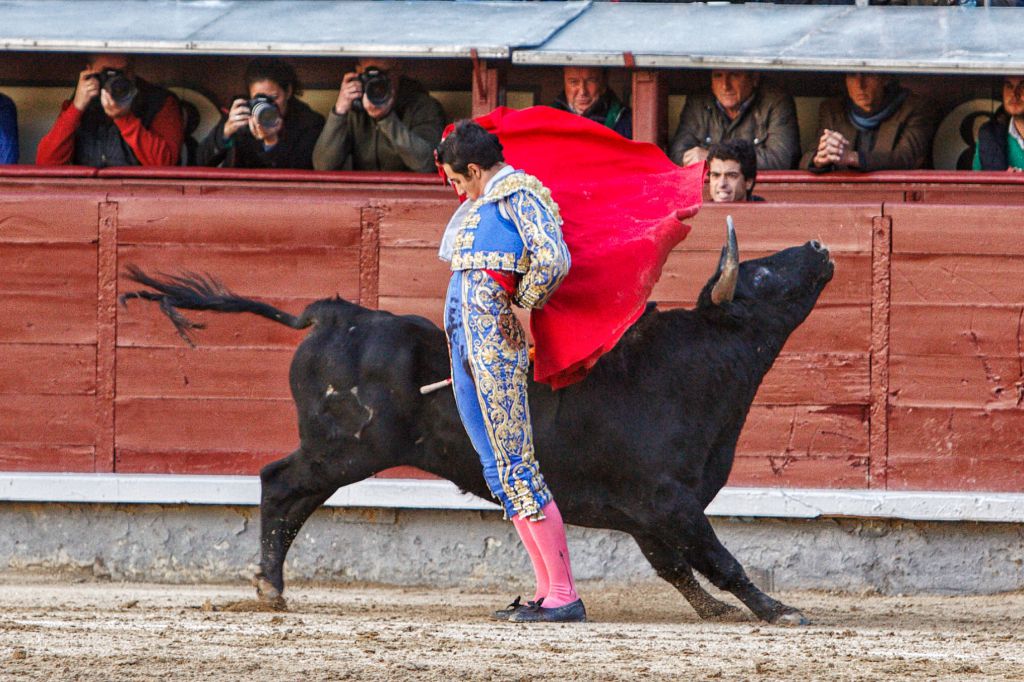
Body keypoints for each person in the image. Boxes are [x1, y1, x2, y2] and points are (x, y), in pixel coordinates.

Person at [435, 120, 585, 624]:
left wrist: (524, 304)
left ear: (475, 170)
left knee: (517, 463)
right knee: (497, 468)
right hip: (466, 347)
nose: (456, 190)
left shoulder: (520, 195)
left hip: (496, 348)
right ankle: (546, 591)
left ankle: (564, 593)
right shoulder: (487, 201)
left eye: (457, 180)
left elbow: (553, 258)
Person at [36, 54, 182, 167]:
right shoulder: (83, 99)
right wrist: (76, 108)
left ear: (132, 72)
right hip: (87, 197)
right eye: (107, 74)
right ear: (89, 71)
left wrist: (125, 119)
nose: (115, 80)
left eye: (121, 73)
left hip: (141, 197)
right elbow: (46, 163)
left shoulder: (159, 101)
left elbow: (166, 165)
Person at [313, 58, 445, 173]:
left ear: (398, 70)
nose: (377, 81)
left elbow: (427, 163)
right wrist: (339, 111)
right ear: (359, 72)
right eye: (369, 75)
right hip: (362, 193)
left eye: (384, 74)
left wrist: (386, 119)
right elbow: (323, 166)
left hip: (409, 193)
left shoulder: (423, 107)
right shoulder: (354, 108)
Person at [197, 58, 324, 169]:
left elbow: (298, 175)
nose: (267, 105)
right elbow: (201, 163)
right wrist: (225, 132)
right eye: (259, 98)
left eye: (273, 97)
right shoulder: (242, 113)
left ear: (288, 91)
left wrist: (271, 142)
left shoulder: (310, 123)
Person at [802, 73, 937, 172]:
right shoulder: (832, 109)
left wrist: (852, 157)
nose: (860, 85)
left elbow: (907, 158)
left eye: (868, 75)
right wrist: (819, 159)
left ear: (885, 78)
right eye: (852, 76)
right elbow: (805, 160)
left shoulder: (915, 107)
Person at [669, 70, 800, 170]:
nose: (726, 86)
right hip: (707, 191)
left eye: (734, 75)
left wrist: (712, 158)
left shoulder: (776, 101)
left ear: (754, 78)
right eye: (718, 76)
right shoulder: (698, 102)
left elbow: (781, 159)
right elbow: (677, 154)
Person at [551, 66, 632, 139]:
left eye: (590, 81)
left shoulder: (626, 121)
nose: (582, 91)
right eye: (573, 82)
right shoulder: (547, 121)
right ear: (564, 83)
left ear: (604, 83)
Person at [973, 75, 1024, 172]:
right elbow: (976, 185)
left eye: (1022, 85)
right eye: (1009, 86)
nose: (1014, 93)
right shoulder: (989, 136)